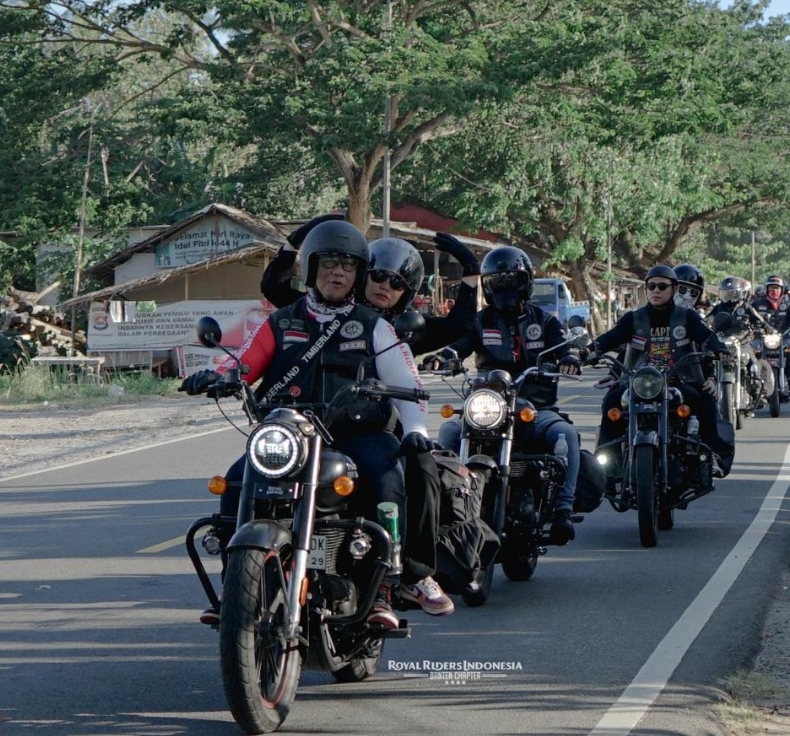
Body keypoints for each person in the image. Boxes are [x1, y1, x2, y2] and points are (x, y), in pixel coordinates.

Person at [181, 220, 452, 627]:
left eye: (346, 265)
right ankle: (234, 587)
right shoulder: (280, 322)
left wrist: (416, 432)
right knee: (238, 481)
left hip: (357, 434)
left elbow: (409, 386)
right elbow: (242, 363)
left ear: (358, 273)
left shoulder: (376, 327)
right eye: (328, 264)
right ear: (311, 268)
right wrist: (219, 377)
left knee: (387, 475)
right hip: (292, 433)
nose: (337, 273)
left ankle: (386, 586)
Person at [421, 246, 583, 543]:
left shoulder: (545, 322)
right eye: (497, 282)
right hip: (488, 407)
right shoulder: (481, 322)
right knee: (448, 431)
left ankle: (563, 509)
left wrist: (570, 358)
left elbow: (565, 347)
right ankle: (445, 506)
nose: (505, 288)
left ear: (525, 283)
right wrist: (443, 358)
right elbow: (459, 345)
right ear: (487, 286)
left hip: (536, 408)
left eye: (511, 281)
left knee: (566, 435)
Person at [588, 264, 734, 478]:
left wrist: (719, 349)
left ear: (673, 290)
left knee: (705, 400)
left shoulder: (688, 318)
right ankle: (607, 464)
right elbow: (610, 338)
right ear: (646, 290)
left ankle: (711, 454)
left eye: (662, 286)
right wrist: (588, 351)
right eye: (651, 286)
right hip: (639, 383)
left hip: (678, 380)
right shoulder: (633, 319)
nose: (656, 290)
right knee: (612, 400)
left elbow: (706, 336)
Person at [260, 213, 480, 355]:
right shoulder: (330, 309)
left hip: (378, 417)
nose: (385, 285)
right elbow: (274, 288)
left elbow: (459, 326)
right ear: (364, 276)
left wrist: (470, 270)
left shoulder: (406, 329)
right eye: (378, 276)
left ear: (406, 293)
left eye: (396, 282)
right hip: (318, 409)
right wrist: (294, 242)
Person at [750, 274, 790, 395]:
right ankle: (751, 384)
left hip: (784, 338)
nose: (774, 291)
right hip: (761, 338)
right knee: (749, 351)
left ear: (782, 290)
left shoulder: (787, 304)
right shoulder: (757, 304)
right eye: (771, 288)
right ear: (766, 289)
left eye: (777, 288)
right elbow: (748, 316)